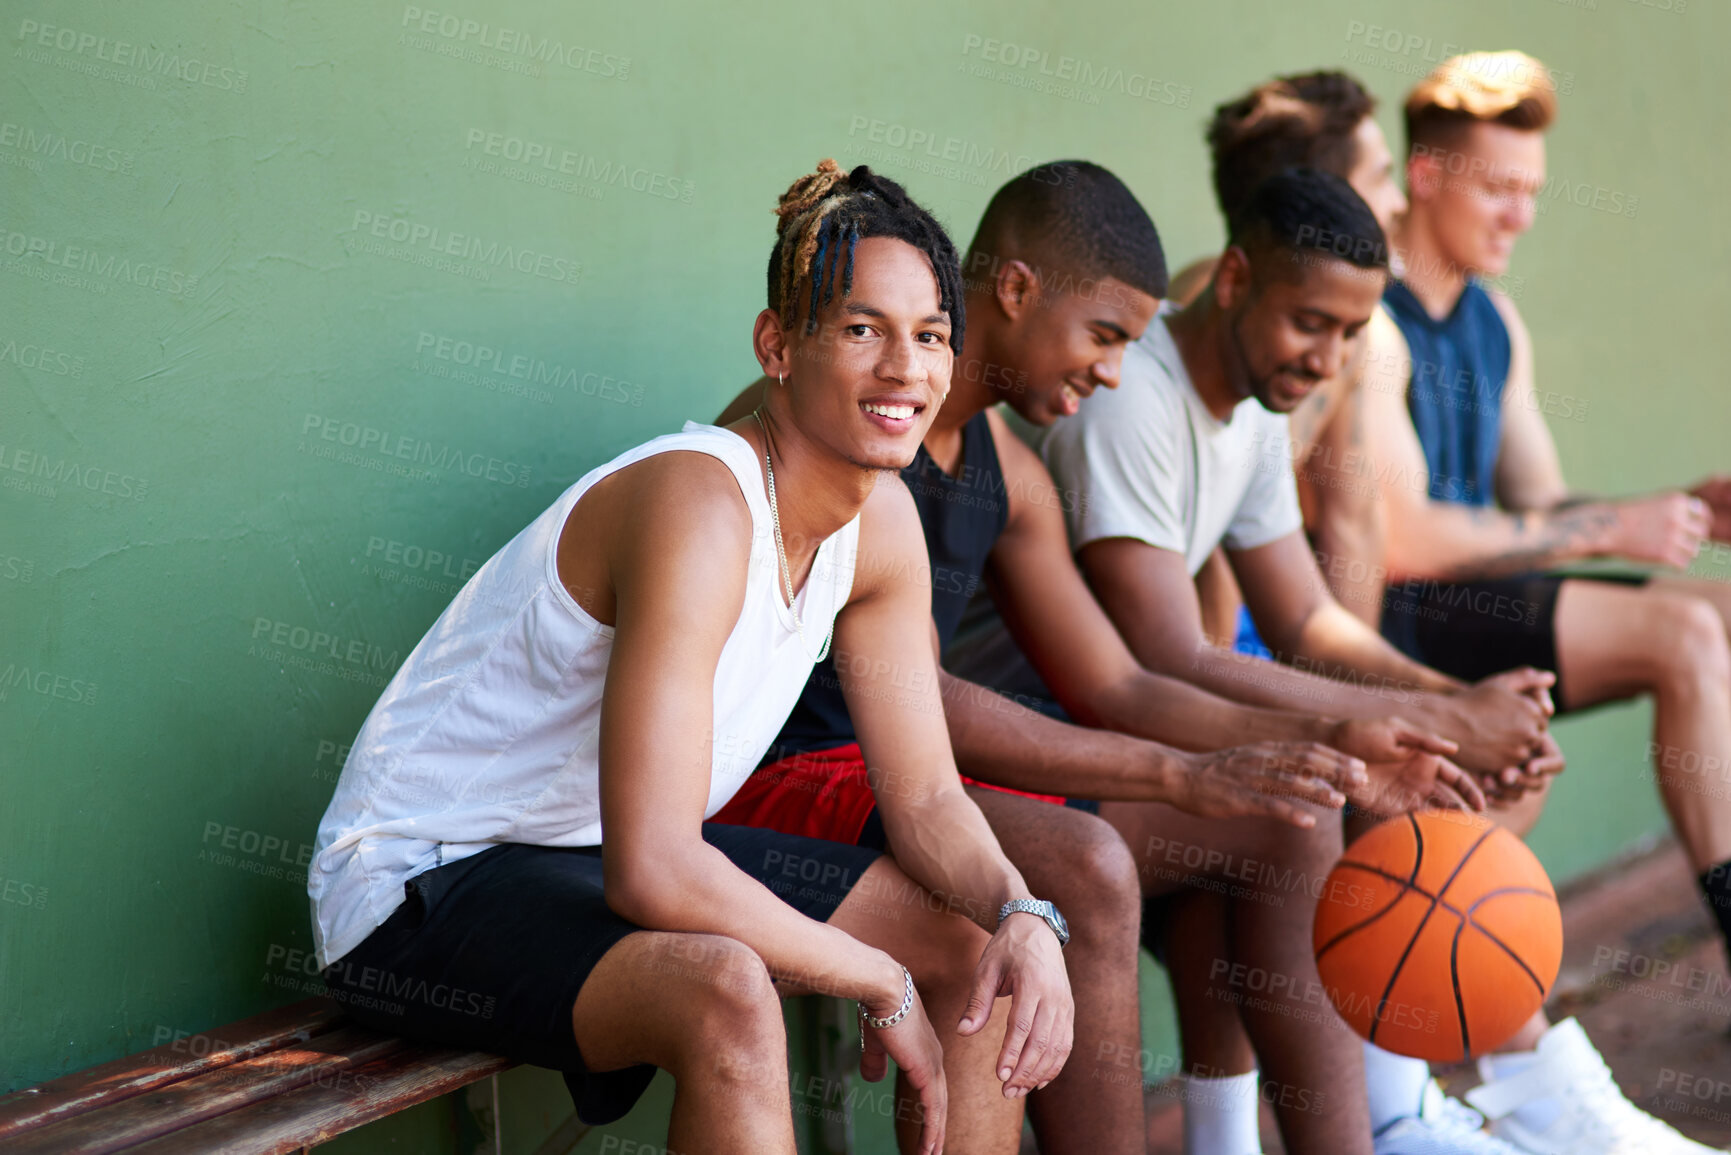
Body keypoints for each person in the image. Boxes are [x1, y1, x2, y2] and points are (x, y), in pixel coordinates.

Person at [718, 161, 1506, 1155]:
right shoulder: (849, 420)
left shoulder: (1003, 463)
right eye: (1104, 336)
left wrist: (1322, 741)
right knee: (1082, 867)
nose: (1114, 373)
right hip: (777, 779)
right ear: (1015, 291)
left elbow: (1117, 681)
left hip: (907, 779)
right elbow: (931, 705)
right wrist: (1178, 771)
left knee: (1288, 816)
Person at [306, 160, 1074, 1155]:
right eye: (860, 329)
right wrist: (873, 971)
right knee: (727, 992)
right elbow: (658, 868)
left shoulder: (880, 523)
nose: (905, 369)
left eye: (929, 336)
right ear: (778, 346)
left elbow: (925, 801)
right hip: (422, 884)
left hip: (575, 861)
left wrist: (1021, 910)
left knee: (977, 952)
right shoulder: (701, 503)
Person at [946, 166, 1574, 1153]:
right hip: (1007, 751)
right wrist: (1385, 727)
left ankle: (1347, 1135)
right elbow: (1158, 660)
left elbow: (1304, 623)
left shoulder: (1235, 417)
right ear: (1236, 278)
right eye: (1309, 322)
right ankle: (1400, 1117)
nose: (1327, 359)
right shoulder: (1125, 406)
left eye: (1350, 335)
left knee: (1294, 803)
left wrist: (1445, 707)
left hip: (1065, 735)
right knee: (1257, 814)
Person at [1344, 52, 1731, 1155]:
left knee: (1719, 616)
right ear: (1424, 175)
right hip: (1401, 619)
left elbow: (1543, 506)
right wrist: (1611, 531)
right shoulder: (1368, 323)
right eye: (1496, 187)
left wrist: (1675, 509)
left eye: (1532, 191)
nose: (1520, 213)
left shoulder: (1494, 322)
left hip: (1491, 606)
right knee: (1685, 630)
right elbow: (1409, 535)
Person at [1171, 70, 1412, 638]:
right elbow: (1213, 537)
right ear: (1325, 195)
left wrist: (1364, 704)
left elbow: (1351, 521)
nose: (1397, 203)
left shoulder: (1345, 334)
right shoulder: (1228, 320)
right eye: (1380, 177)